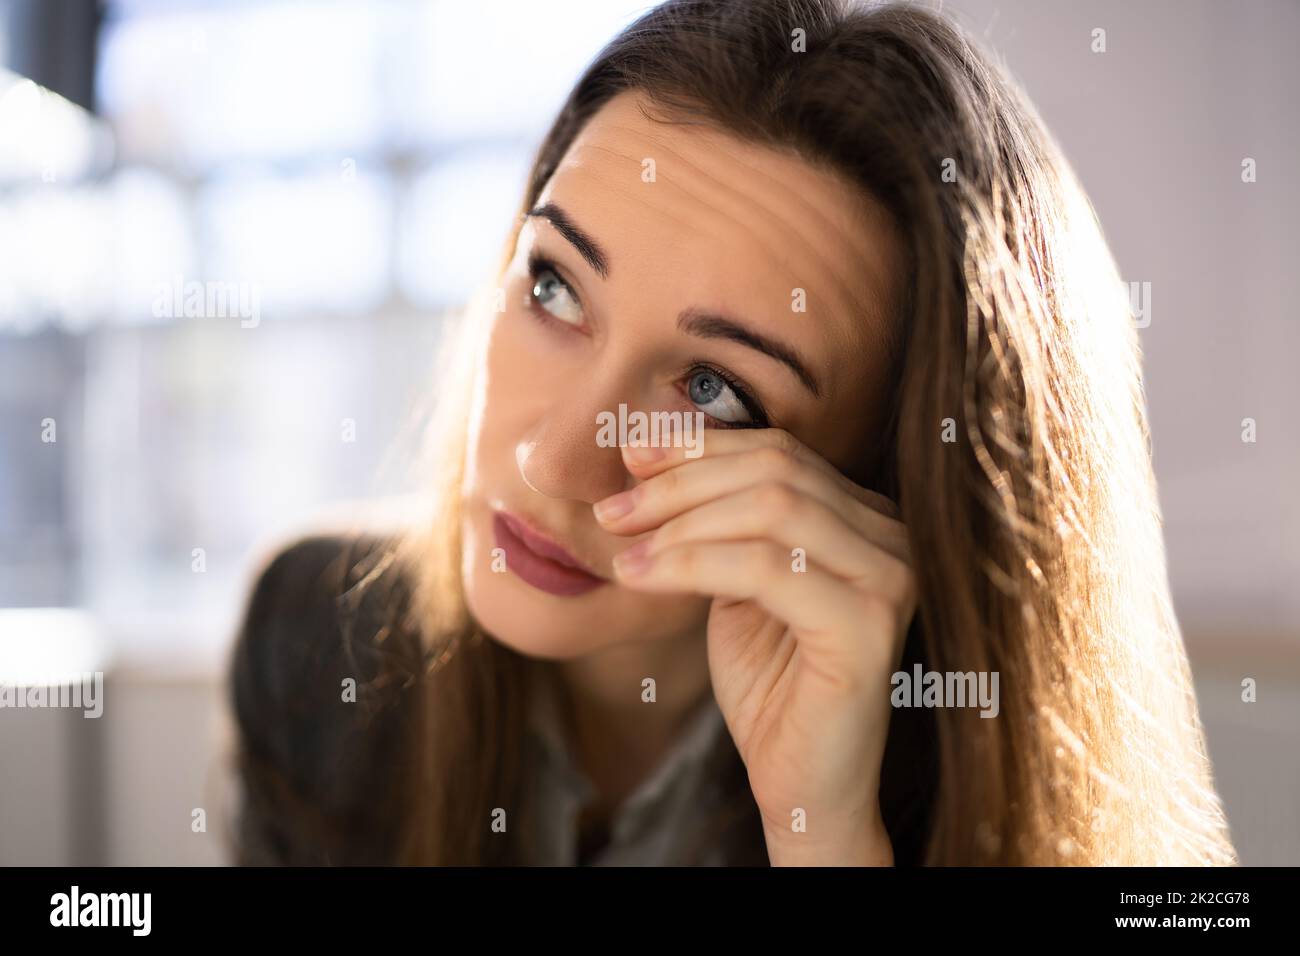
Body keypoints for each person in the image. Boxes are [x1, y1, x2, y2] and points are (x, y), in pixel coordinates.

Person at [227, 0, 1237, 866]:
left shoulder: (948, 781)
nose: (554, 462)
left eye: (712, 389)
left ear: (882, 481)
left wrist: (826, 837)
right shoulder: (314, 641)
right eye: (553, 285)